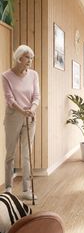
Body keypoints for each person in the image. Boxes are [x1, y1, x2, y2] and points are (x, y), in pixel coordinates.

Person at [2, 45, 40, 200]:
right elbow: (9, 99)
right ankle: (8, 188)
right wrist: (22, 111)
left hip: (30, 116)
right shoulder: (6, 76)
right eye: (27, 57)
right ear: (19, 58)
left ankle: (26, 189)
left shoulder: (33, 75)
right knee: (10, 153)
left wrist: (32, 108)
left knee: (27, 155)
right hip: (13, 117)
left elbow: (36, 95)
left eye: (31, 58)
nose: (30, 61)